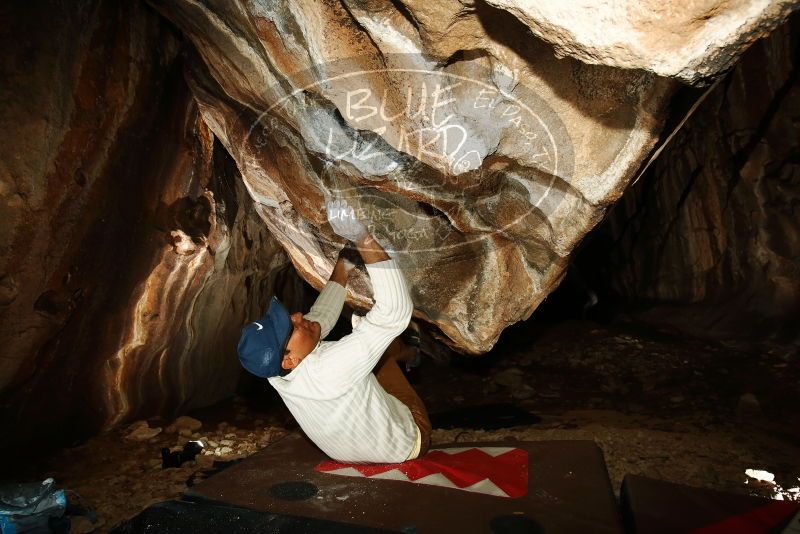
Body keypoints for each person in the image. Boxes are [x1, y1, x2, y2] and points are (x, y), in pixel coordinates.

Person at [237, 198, 431, 463]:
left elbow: (318, 320)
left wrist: (343, 266)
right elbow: (393, 313)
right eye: (290, 327)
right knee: (376, 335)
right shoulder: (328, 368)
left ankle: (400, 352)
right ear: (289, 359)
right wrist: (362, 238)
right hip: (406, 444)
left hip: (346, 454)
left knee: (360, 344)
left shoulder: (276, 373)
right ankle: (411, 352)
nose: (296, 316)